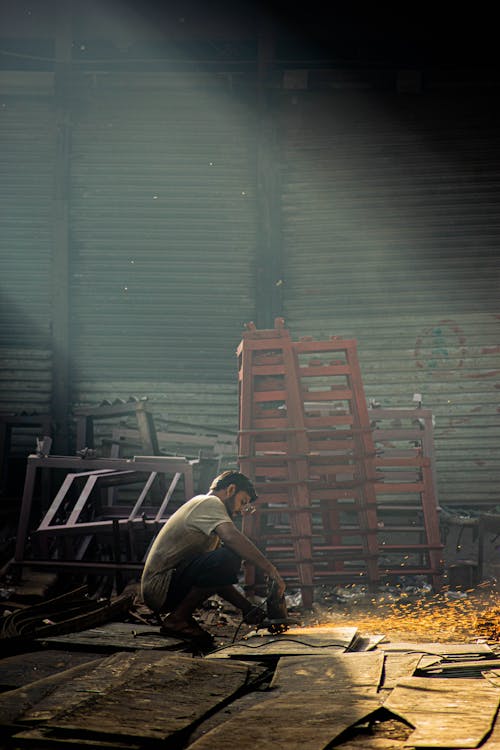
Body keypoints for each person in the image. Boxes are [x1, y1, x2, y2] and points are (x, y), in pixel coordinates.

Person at [140, 470, 286, 645]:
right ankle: (178, 618)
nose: (240, 510)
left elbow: (216, 580)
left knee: (225, 559)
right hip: (160, 587)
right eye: (242, 502)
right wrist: (271, 570)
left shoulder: (207, 515)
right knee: (229, 556)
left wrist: (246, 608)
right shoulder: (209, 502)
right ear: (231, 490)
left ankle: (180, 617)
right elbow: (232, 539)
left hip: (164, 589)